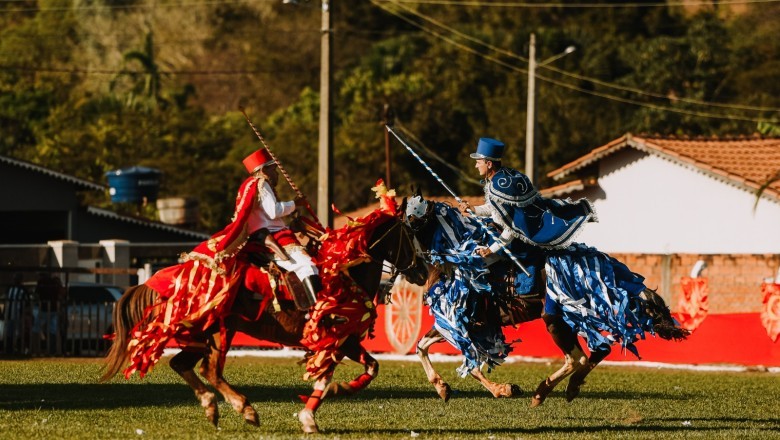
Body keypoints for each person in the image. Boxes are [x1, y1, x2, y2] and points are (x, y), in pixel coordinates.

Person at [459, 137, 597, 258]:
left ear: (489, 164)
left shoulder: (499, 186)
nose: (476, 166)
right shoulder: (503, 177)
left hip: (519, 242)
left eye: (478, 162)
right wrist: (473, 209)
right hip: (504, 234)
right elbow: (496, 209)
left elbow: (512, 228)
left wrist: (491, 250)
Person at [241, 148, 321, 306]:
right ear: (264, 170)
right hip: (274, 237)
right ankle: (318, 311)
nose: (277, 174)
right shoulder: (261, 184)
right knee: (308, 266)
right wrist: (295, 203)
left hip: (272, 233)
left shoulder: (253, 186)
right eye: (273, 169)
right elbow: (273, 212)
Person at [3, 273, 30, 354]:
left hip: (17, 313)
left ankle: (17, 349)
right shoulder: (11, 288)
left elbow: (27, 303)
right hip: (11, 313)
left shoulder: (22, 289)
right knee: (10, 332)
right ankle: (10, 349)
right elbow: (6, 300)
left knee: (17, 332)